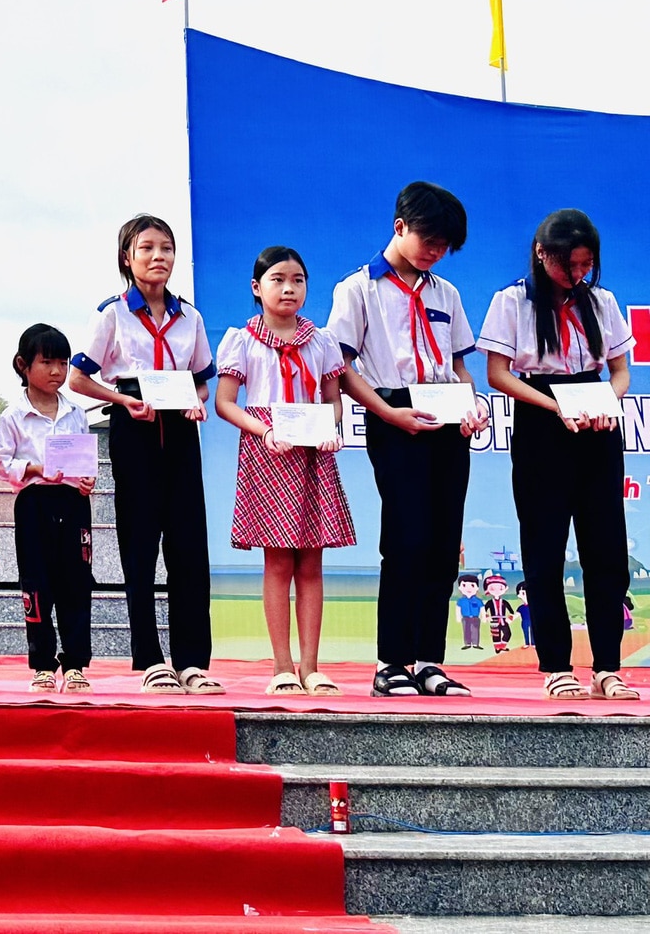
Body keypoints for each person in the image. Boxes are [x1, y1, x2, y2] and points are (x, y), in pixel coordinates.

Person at [328, 181, 492, 698]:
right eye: (431, 240)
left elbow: (460, 365)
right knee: (406, 538)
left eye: (445, 247)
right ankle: (391, 662)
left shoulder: (448, 293)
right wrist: (388, 414)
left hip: (446, 418)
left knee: (444, 543)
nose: (437, 253)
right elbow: (341, 367)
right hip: (394, 412)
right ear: (400, 227)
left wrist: (474, 404)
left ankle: (429, 661)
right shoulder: (357, 289)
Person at [479, 208, 640, 700]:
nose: (578, 275)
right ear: (540, 254)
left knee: (607, 548)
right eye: (568, 265)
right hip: (540, 419)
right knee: (545, 549)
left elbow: (620, 371)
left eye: (586, 264)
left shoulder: (603, 301)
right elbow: (498, 374)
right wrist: (555, 406)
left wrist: (605, 402)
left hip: (596, 422)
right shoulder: (513, 300)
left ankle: (608, 667)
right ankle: (556, 666)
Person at [67, 214, 221, 695]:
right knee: (139, 547)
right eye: (148, 248)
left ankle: (193, 660)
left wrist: (196, 401)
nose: (159, 258)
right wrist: (122, 401)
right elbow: (78, 378)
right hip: (133, 424)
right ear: (127, 258)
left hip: (179, 428)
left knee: (189, 547)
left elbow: (200, 377)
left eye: (167, 249)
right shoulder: (111, 313)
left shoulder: (189, 316)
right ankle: (151, 658)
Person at [213, 246, 355, 697]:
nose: (289, 288)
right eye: (277, 279)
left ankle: (311, 666)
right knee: (277, 563)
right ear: (257, 288)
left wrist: (331, 428)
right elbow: (225, 402)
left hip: (313, 453)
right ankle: (281, 666)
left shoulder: (322, 340)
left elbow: (333, 400)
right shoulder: (242, 339)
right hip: (268, 453)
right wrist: (265, 430)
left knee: (312, 561)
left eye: (297, 279)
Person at [0, 324, 98, 693]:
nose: (57, 371)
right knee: (36, 584)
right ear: (24, 365)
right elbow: (0, 462)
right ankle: (42, 663)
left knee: (76, 583)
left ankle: (75, 664)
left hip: (73, 504)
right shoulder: (13, 416)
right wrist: (34, 469)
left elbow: (88, 459)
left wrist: (87, 480)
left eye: (63, 363)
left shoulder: (75, 412)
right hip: (34, 502)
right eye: (47, 362)